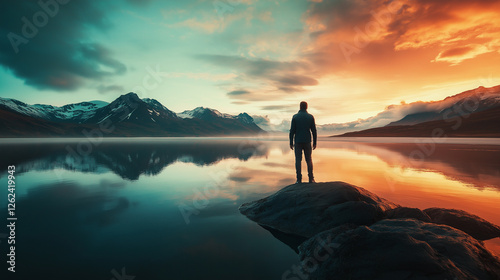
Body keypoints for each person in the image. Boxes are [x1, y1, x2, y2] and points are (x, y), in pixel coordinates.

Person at [289, 101, 317, 183]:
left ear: (300, 107)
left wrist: (291, 142)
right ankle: (311, 178)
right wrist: (315, 142)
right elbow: (314, 131)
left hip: (297, 141)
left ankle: (298, 179)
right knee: (309, 160)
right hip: (307, 141)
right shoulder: (310, 117)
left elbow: (292, 131)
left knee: (298, 160)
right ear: (306, 107)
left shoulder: (295, 117)